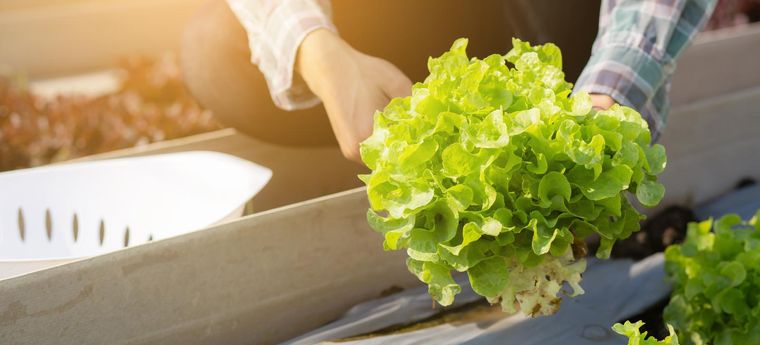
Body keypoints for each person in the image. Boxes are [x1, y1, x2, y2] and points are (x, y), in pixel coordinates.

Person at [181, 0, 716, 163]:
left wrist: (611, 91)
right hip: (418, 21)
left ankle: (545, 128)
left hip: (551, 22)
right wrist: (319, 53)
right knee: (217, 51)